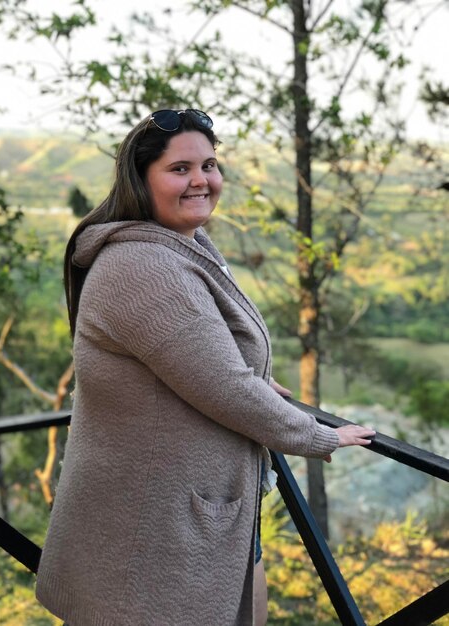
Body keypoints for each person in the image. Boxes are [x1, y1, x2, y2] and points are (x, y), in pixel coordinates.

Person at [35, 108, 375, 626]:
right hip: (153, 527)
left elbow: (196, 356)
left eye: (210, 165)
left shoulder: (180, 246)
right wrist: (319, 435)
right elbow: (225, 386)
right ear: (140, 180)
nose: (202, 180)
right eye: (180, 169)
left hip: (190, 511)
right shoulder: (143, 266)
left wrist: (257, 380)